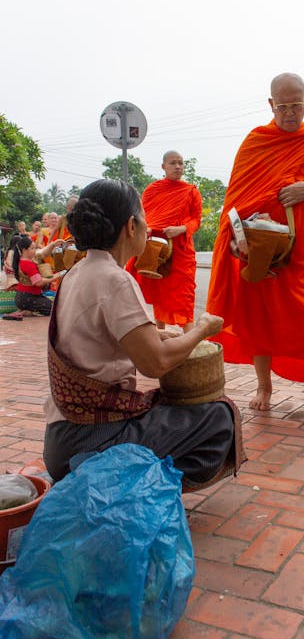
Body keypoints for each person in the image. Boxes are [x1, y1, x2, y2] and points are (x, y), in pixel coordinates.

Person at [43, 179, 245, 489]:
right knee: (218, 416)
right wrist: (204, 328)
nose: (149, 227)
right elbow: (156, 363)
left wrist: (163, 337)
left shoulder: (78, 272)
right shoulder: (115, 279)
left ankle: (124, 481)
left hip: (62, 437)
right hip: (88, 440)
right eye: (144, 217)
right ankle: (139, 490)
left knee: (165, 405)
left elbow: (118, 339)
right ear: (131, 226)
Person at [207, 72, 304, 418]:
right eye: (282, 106)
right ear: (271, 105)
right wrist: (239, 241)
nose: (289, 113)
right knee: (260, 316)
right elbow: (235, 199)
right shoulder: (257, 141)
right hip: (260, 245)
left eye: (295, 105)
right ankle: (263, 386)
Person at [126, 151, 202, 331]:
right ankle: (160, 336)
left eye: (180, 163)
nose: (177, 167)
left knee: (184, 296)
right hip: (155, 249)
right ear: (163, 167)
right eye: (173, 163)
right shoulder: (152, 190)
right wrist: (148, 228)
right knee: (158, 293)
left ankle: (189, 344)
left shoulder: (191, 191)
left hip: (181, 251)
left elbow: (196, 220)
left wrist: (181, 229)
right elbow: (143, 217)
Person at [7, 236, 64, 320]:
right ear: (24, 250)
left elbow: (43, 254)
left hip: (21, 298)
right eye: (33, 248)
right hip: (28, 298)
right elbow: (39, 283)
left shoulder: (22, 260)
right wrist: (57, 276)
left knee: (54, 306)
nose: (35, 250)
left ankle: (28, 310)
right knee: (55, 309)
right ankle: (27, 311)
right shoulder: (29, 264)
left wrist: (53, 244)